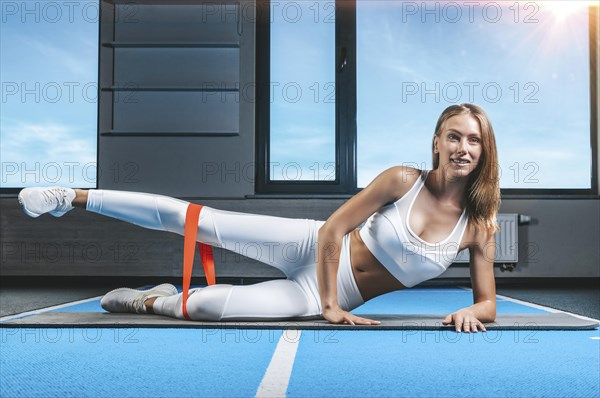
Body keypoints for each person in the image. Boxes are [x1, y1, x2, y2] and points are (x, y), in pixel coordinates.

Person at [17, 103, 500, 333]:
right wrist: (332, 308)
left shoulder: (478, 227)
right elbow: (333, 229)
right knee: (196, 219)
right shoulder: (402, 179)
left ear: (484, 151)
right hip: (309, 247)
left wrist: (468, 312)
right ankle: (71, 196)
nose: (462, 148)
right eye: (453, 136)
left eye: (473, 140)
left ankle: (149, 302)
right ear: (436, 141)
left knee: (206, 309)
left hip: (311, 292)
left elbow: (488, 306)